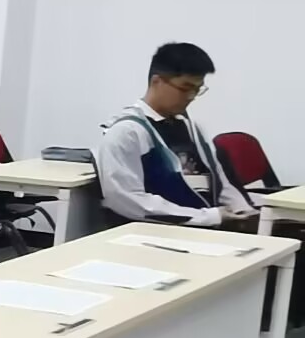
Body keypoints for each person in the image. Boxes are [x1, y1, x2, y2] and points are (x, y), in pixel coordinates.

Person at [96, 43, 256, 228]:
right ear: (157, 81)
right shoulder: (127, 133)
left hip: (206, 225)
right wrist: (208, 217)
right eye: (185, 88)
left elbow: (220, 181)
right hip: (157, 232)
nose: (191, 96)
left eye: (197, 89)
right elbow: (127, 200)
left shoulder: (192, 127)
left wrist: (243, 211)